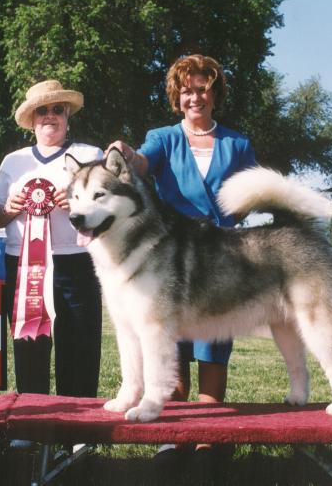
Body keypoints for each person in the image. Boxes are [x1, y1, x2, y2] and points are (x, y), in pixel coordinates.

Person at [107, 54, 256, 470]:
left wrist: (228, 220)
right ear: (177, 97)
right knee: (169, 342)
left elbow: (249, 195)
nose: (195, 97)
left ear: (215, 93)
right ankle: (173, 436)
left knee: (213, 347)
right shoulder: (163, 137)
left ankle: (207, 437)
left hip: (221, 254)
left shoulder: (238, 144)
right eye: (186, 90)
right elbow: (139, 163)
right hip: (171, 252)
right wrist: (123, 150)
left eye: (202, 88)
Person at [0, 80, 103, 397]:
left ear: (67, 116)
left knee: (80, 346)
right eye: (43, 110)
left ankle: (76, 436)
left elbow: (110, 208)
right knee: (30, 346)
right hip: (24, 267)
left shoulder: (90, 155)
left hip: (77, 264)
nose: (50, 116)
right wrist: (7, 209)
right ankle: (30, 429)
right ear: (32, 119)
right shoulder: (13, 161)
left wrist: (82, 205)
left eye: (57, 110)